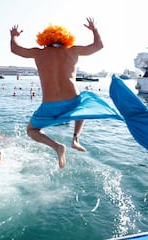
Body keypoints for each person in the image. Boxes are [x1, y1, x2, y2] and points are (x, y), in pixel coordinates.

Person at [10, 17, 103, 168]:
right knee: (84, 103)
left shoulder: (38, 53)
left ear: (44, 39)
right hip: (73, 100)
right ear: (66, 38)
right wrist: (95, 29)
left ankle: (57, 146)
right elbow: (98, 46)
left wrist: (14, 35)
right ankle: (75, 139)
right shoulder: (74, 50)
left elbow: (15, 49)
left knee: (32, 130)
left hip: (49, 104)